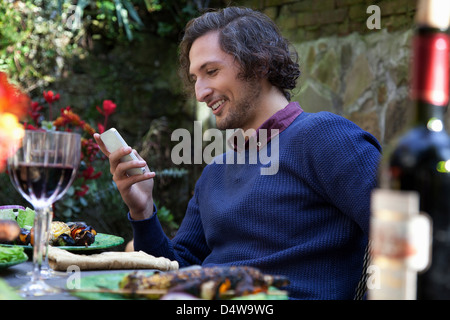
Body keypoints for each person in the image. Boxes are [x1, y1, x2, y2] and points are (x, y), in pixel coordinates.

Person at [93, 6, 381, 299]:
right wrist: (142, 211)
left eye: (211, 71)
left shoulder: (326, 136)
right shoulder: (216, 170)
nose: (200, 92)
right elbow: (173, 270)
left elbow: (409, 232)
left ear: (260, 63)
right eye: (195, 78)